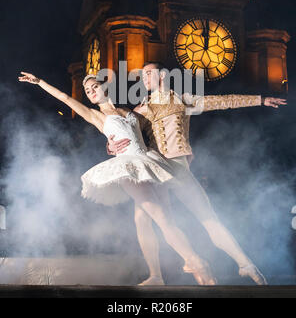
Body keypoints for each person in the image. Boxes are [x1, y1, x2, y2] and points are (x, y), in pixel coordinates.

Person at [18, 71, 216, 286]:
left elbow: (156, 129)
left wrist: (183, 147)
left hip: (148, 162)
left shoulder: (128, 111)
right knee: (160, 217)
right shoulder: (97, 116)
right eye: (87, 91)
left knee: (143, 220)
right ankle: (195, 260)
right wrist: (40, 82)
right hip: (128, 168)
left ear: (105, 88)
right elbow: (65, 98)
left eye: (94, 87)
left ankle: (158, 276)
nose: (91, 92)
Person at [107, 62, 287, 286]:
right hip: (157, 172)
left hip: (179, 171)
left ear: (163, 75)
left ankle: (246, 265)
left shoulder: (183, 100)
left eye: (149, 73)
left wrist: (259, 100)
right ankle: (165, 272)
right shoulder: (140, 110)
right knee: (147, 219)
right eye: (142, 75)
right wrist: (112, 147)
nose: (144, 78)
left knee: (208, 219)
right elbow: (127, 140)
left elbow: (223, 101)